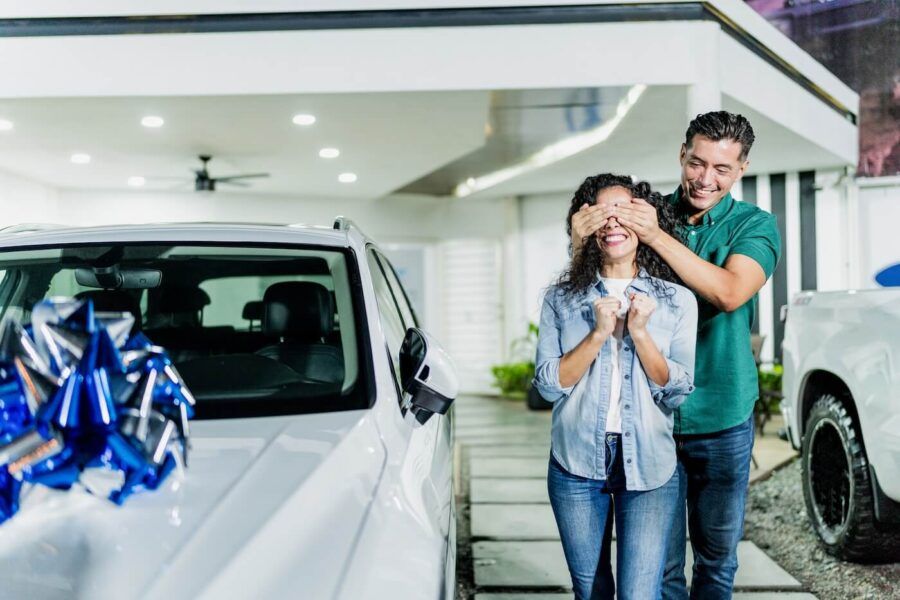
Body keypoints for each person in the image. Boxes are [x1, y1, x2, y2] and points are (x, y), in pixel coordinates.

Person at [570, 112, 782, 598]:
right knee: (658, 565)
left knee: (716, 559)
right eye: (696, 162)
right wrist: (579, 238)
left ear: (742, 169)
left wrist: (656, 238)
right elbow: (591, 281)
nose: (706, 178)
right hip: (649, 418)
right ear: (681, 155)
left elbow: (729, 292)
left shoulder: (755, 225)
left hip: (722, 414)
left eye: (722, 169)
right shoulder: (649, 211)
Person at [534, 174, 698, 599]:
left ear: (644, 221)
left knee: (639, 593)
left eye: (623, 211)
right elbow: (549, 387)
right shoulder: (562, 299)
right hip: (575, 463)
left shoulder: (677, 300)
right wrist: (597, 334)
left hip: (649, 462)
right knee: (590, 591)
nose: (613, 222)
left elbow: (678, 390)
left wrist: (640, 334)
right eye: (601, 213)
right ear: (584, 225)